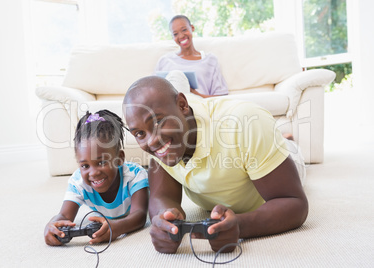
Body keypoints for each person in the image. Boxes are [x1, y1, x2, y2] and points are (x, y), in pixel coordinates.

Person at [122, 76, 308, 254]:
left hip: (287, 158)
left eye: (157, 122)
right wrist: (166, 220)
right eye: (139, 133)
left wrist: (241, 226)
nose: (152, 141)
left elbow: (294, 203)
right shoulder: (162, 145)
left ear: (182, 105)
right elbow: (161, 196)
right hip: (250, 149)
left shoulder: (244, 123)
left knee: (291, 150)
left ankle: (286, 141)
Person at [44, 109, 149, 246]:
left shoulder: (135, 175)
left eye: (101, 162)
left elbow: (139, 215)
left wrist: (116, 228)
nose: (93, 173)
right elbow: (64, 216)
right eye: (85, 166)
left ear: (119, 159)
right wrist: (52, 225)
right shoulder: (78, 182)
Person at [155, 15, 228, 98]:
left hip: (198, 104)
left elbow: (221, 97)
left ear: (192, 28)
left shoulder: (210, 60)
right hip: (170, 106)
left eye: (184, 30)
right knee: (175, 75)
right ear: (172, 37)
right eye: (175, 34)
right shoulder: (164, 61)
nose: (181, 36)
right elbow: (153, 91)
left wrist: (194, 94)